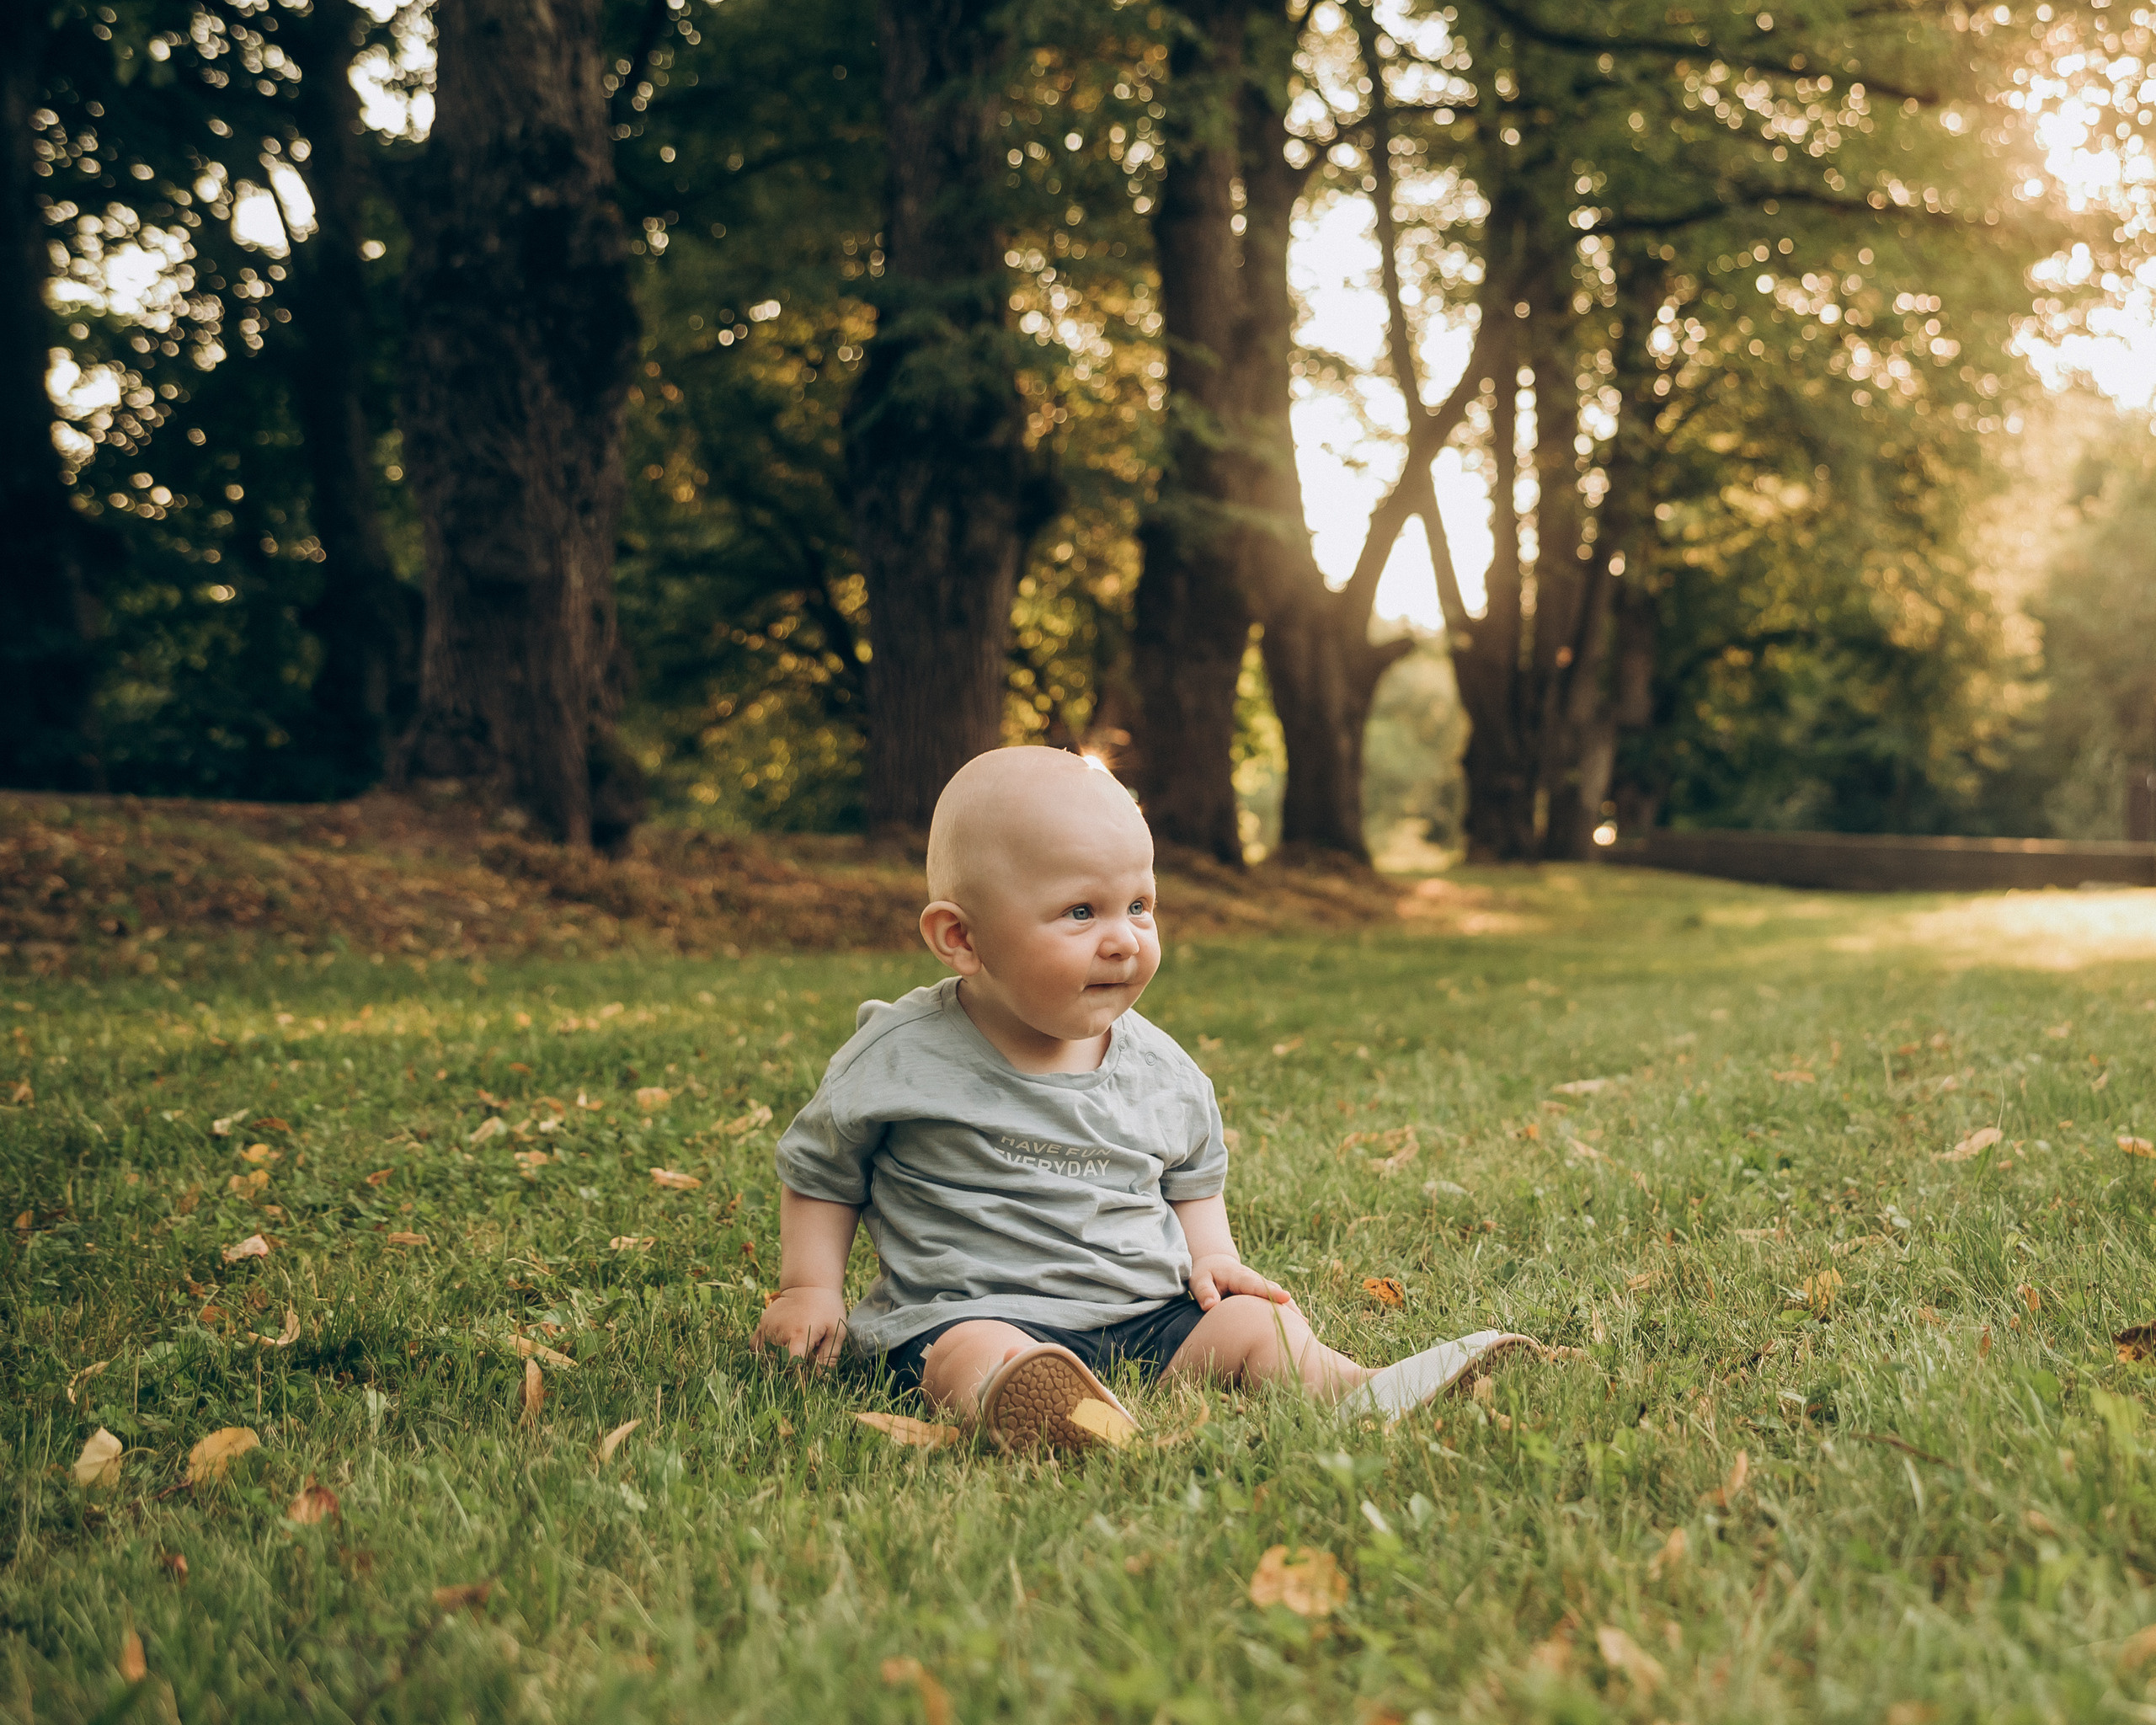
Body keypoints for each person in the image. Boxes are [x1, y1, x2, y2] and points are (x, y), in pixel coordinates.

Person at [752, 746, 1540, 1450]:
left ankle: (1353, 1389)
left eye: (1139, 906)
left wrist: (1217, 1260)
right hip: (971, 1310)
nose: (1124, 938)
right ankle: (1043, 1407)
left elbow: (1192, 1173)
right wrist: (811, 1288)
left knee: (1256, 1326)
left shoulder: (1158, 1067)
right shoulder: (900, 1057)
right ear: (962, 938)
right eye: (1081, 912)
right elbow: (823, 1169)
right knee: (970, 1356)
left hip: (1149, 1316)